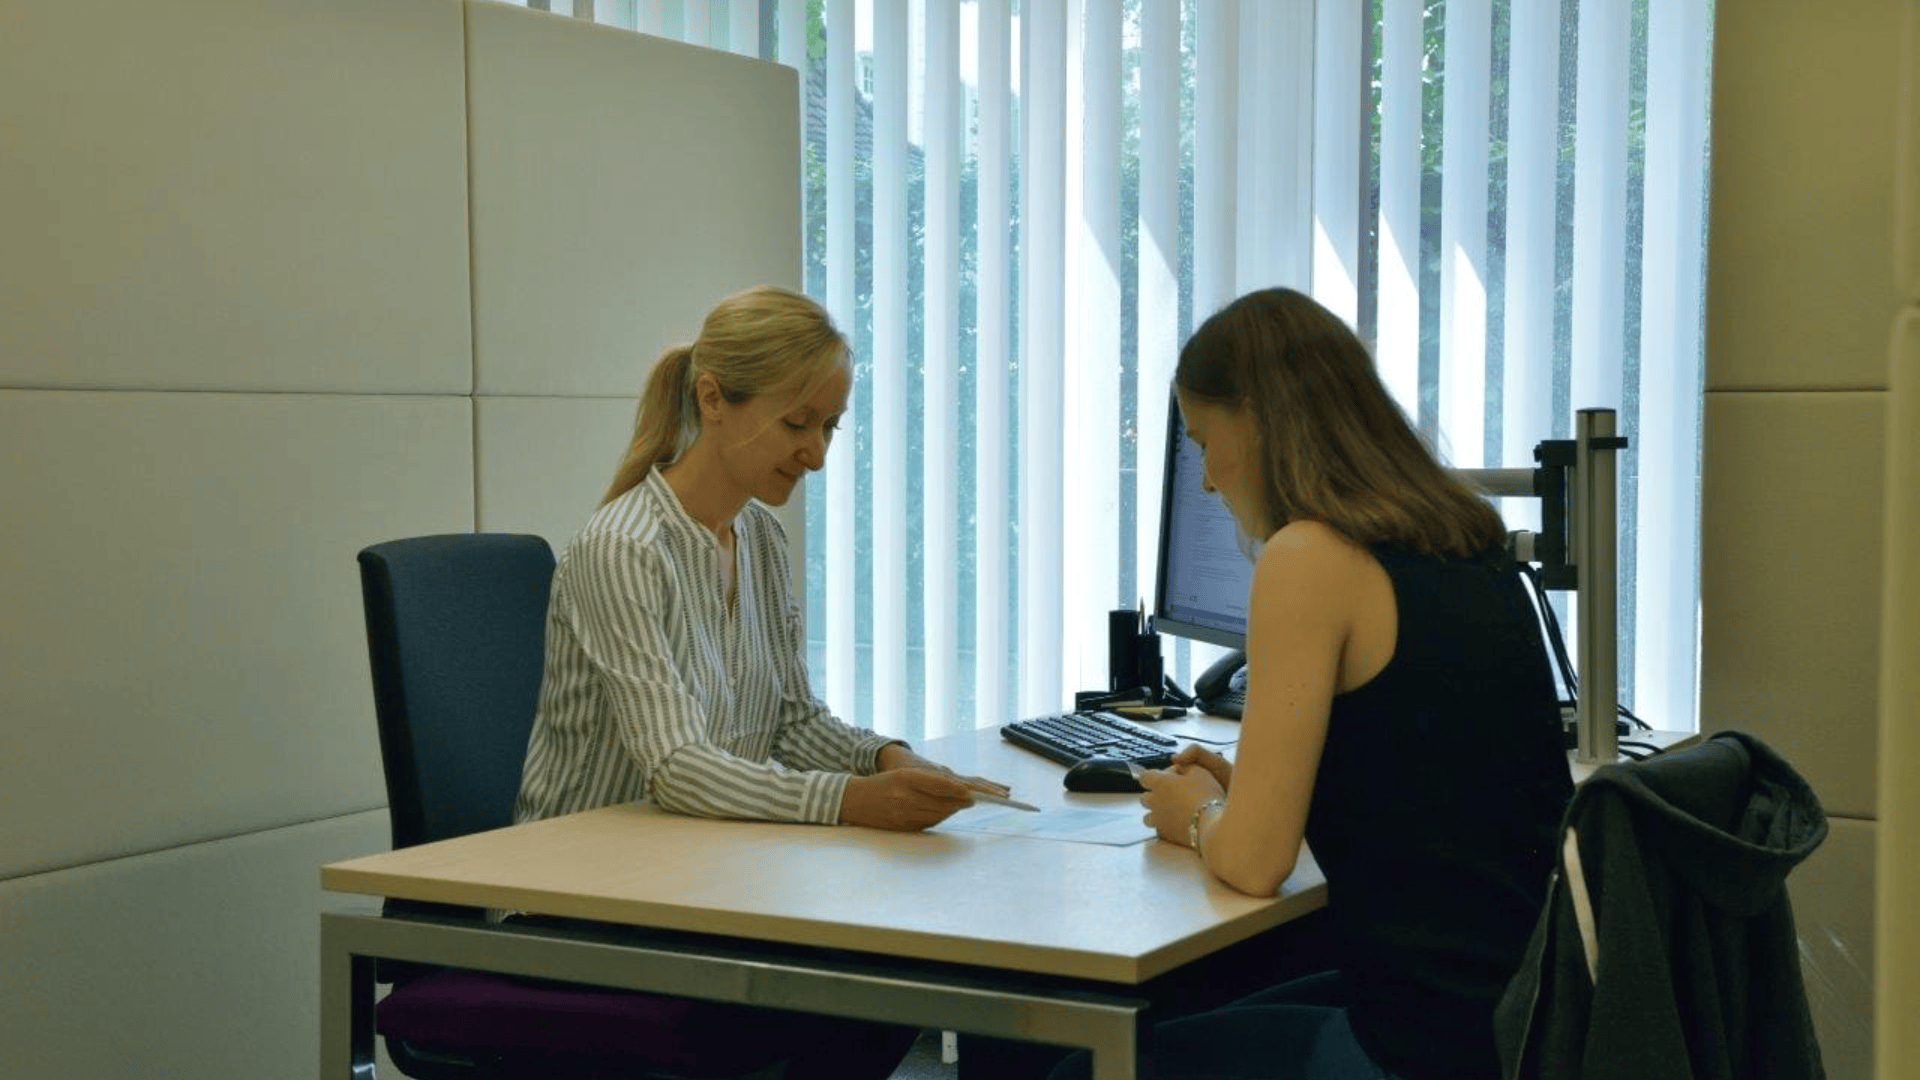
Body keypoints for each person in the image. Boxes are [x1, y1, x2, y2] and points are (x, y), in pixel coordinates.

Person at [1053, 288, 1574, 1080]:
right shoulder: (1468, 540)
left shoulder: (1310, 555)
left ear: (1256, 418)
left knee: (1081, 1065)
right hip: (1521, 1012)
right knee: (1187, 1010)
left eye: (1204, 442)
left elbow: (1256, 864)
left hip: (1426, 1042)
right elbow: (1426, 790)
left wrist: (1200, 819)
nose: (1206, 481)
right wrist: (1260, 790)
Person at [513, 284, 1005, 1080]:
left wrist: (887, 760)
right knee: (865, 990)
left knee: (900, 979)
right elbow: (677, 767)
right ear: (713, 399)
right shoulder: (623, 550)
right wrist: (850, 803)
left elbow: (788, 722)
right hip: (578, 912)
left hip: (698, 882)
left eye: (831, 427)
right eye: (797, 423)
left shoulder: (760, 537)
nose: (817, 452)